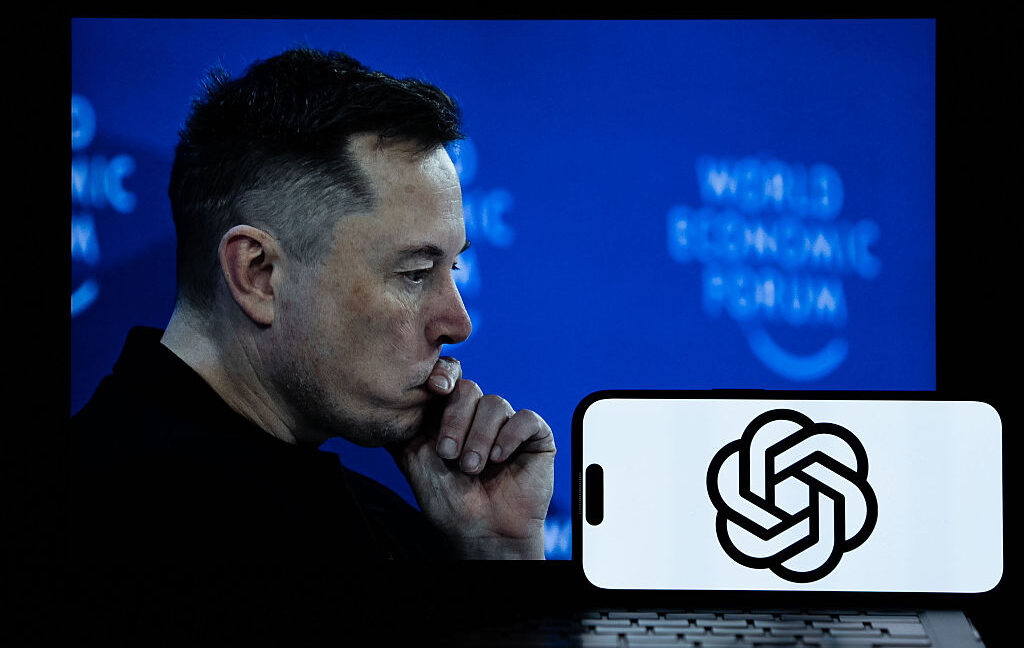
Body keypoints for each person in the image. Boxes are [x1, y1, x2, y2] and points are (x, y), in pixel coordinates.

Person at [68, 47, 555, 562]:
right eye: (415, 273)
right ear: (258, 274)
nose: (457, 324)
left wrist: (498, 554)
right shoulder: (128, 517)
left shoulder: (385, 524)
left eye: (452, 268)